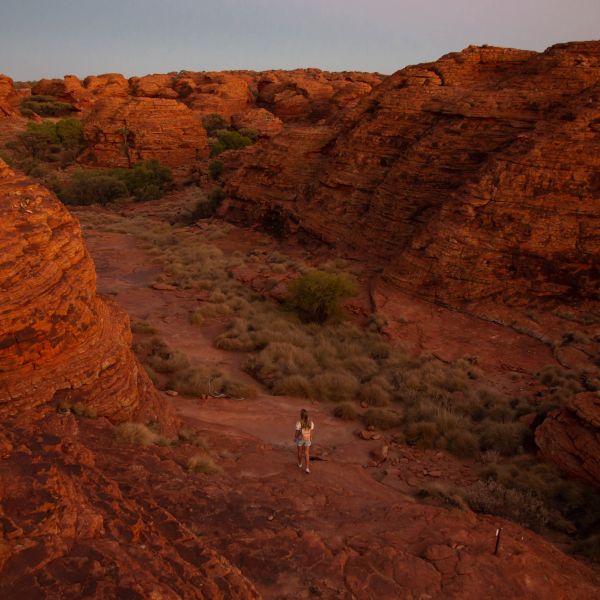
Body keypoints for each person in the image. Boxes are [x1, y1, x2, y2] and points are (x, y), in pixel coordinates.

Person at [295, 408, 314, 473]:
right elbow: (311, 432)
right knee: (307, 453)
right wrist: (310, 438)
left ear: (301, 415)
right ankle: (307, 468)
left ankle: (300, 464)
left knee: (299, 452)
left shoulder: (299, 423)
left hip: (300, 439)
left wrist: (295, 438)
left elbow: (297, 432)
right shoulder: (311, 423)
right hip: (307, 439)